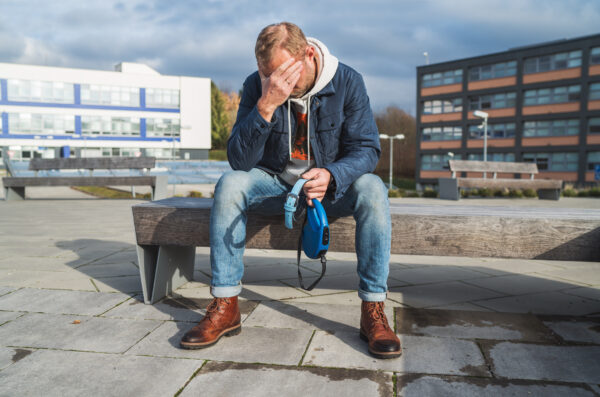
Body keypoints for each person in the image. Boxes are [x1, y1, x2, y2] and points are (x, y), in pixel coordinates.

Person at [180, 22, 401, 359]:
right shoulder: (258, 86)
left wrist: (332, 173)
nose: (276, 84)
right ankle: (226, 304)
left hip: (331, 191)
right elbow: (239, 161)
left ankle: (373, 310)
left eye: (283, 76)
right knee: (230, 184)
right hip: (276, 186)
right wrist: (266, 105)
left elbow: (368, 149)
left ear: (307, 55)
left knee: (372, 187)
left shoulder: (348, 82)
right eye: (267, 76)